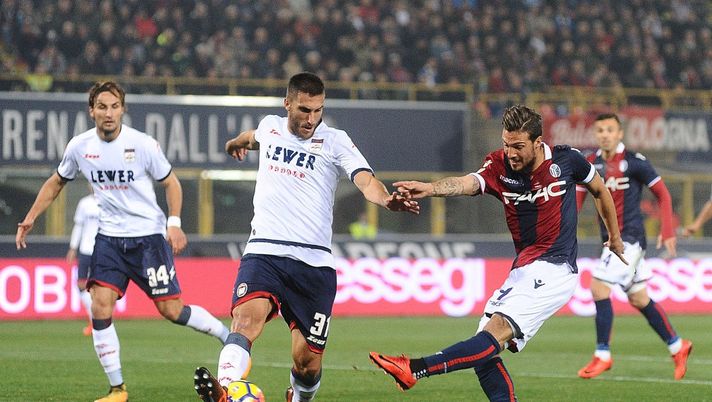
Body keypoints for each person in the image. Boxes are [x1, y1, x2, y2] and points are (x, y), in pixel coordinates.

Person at [369, 105, 625, 401]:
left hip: (555, 268)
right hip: (522, 270)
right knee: (483, 351)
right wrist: (430, 189)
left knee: (493, 334)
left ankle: (415, 368)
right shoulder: (498, 166)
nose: (510, 153)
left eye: (518, 146)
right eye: (506, 144)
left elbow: (599, 190)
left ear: (537, 143)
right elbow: (466, 183)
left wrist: (614, 237)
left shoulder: (567, 161)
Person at [192, 72, 419, 402]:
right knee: (244, 321)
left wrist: (385, 199)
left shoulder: (335, 140)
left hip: (313, 264)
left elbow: (366, 180)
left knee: (307, 364)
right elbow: (252, 136)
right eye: (303, 110)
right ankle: (226, 389)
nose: (311, 119)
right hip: (264, 251)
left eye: (318, 110)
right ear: (287, 104)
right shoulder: (271, 126)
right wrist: (235, 144)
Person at [16, 81, 230, 402]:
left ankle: (227, 336)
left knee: (171, 310)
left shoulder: (142, 144)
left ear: (123, 109)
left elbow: (171, 183)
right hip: (109, 240)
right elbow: (56, 181)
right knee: (100, 306)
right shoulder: (80, 147)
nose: (109, 113)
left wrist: (174, 223)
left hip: (148, 239)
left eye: (114, 106)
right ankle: (118, 389)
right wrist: (32, 216)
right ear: (92, 111)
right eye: (102, 107)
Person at [575, 112, 692, 380]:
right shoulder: (590, 163)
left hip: (629, 238)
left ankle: (602, 354)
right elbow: (578, 199)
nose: (604, 134)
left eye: (609, 130)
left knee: (598, 288)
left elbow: (662, 193)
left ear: (619, 134)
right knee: (639, 298)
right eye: (600, 130)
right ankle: (677, 346)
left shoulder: (634, 162)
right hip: (610, 240)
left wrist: (667, 230)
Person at [66, 186, 100, 336]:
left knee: (100, 287)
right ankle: (94, 321)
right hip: (85, 250)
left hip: (102, 251)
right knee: (81, 285)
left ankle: (100, 321)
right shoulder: (84, 203)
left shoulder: (110, 202)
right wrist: (73, 247)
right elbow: (78, 226)